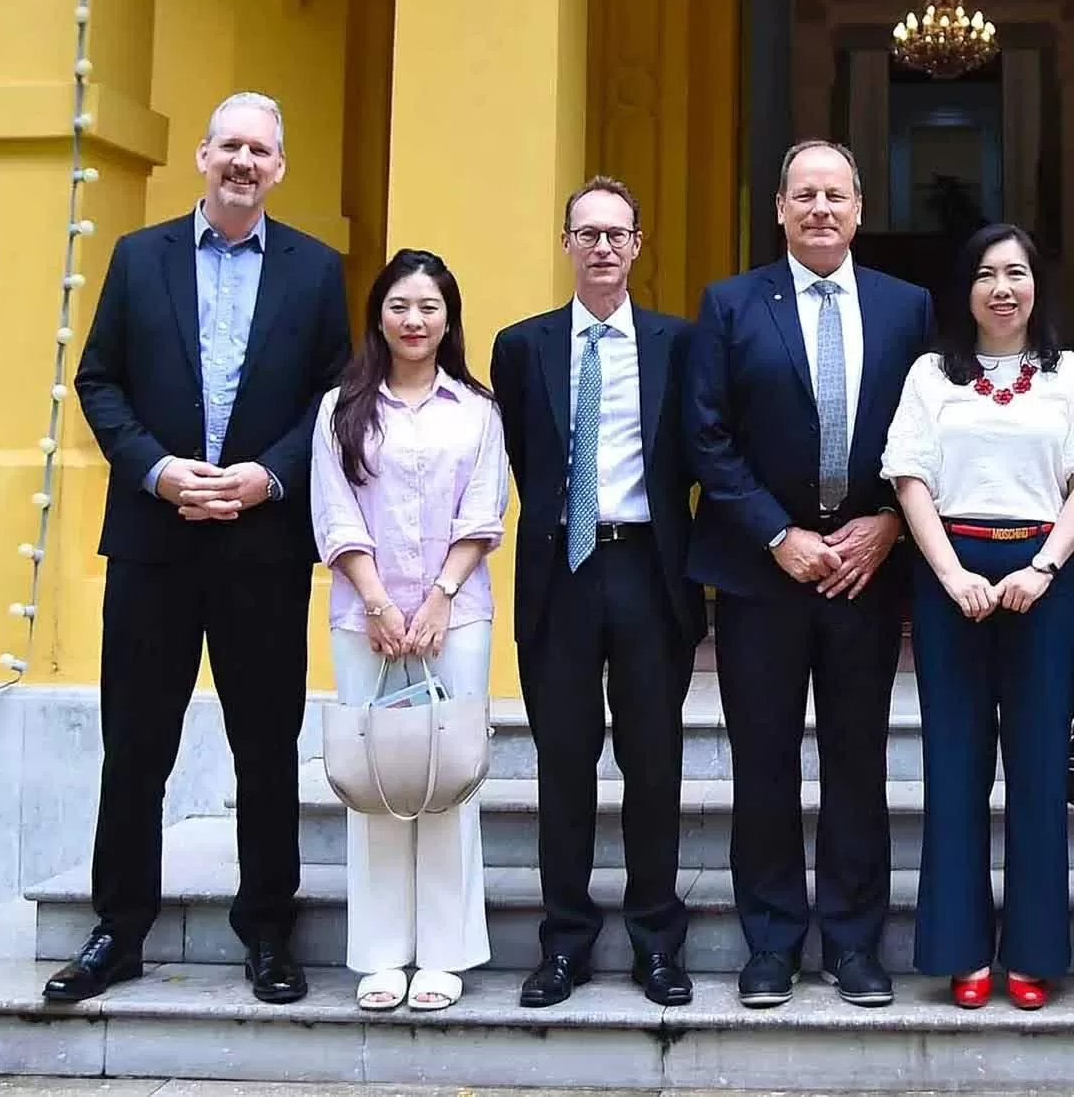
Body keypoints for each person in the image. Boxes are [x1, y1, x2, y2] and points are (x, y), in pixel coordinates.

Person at [55, 92, 350, 1006]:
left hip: (261, 544)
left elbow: (333, 398)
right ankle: (119, 928)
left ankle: (267, 930)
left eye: (261, 150)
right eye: (230, 145)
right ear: (202, 155)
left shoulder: (316, 270)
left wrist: (269, 475)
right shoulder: (139, 258)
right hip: (155, 540)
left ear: (280, 168)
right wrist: (154, 470)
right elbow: (97, 379)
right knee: (136, 743)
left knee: (267, 745)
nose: (244, 162)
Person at [685, 140, 936, 1008]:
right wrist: (775, 534)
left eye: (836, 195)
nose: (821, 209)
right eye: (805, 195)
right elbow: (706, 437)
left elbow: (935, 430)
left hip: (866, 574)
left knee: (858, 762)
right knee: (763, 763)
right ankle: (771, 942)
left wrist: (894, 523)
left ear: (860, 208)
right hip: (763, 577)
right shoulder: (729, 305)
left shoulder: (909, 308)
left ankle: (855, 943)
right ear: (780, 210)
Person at [489, 177, 701, 1009]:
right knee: (564, 765)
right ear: (566, 244)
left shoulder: (677, 344)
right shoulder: (522, 347)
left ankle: (657, 942)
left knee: (654, 766)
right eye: (589, 233)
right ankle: (565, 944)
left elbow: (695, 453)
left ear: (638, 245)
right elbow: (518, 453)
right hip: (561, 573)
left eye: (618, 233)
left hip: (649, 569)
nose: (604, 247)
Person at [884, 224, 1074, 1011]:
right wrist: (951, 576)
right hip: (953, 574)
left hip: (1043, 575)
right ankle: (960, 948)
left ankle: (1035, 952)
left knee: (1040, 769)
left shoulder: (1069, 375)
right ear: (965, 290)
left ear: (1037, 285)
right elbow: (909, 476)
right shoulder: (929, 376)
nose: (1002, 289)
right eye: (986, 275)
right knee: (955, 765)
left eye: (1016, 273)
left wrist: (1044, 569)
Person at [310, 250, 505, 1014]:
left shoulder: (477, 410)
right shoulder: (340, 409)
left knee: (446, 777)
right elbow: (333, 514)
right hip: (365, 621)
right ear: (378, 316)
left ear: (449, 318)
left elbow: (484, 513)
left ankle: (447, 954)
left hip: (456, 619)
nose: (414, 320)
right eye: (399, 306)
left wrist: (436, 600)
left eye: (428, 307)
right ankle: (383, 955)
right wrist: (382, 604)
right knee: (377, 779)